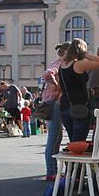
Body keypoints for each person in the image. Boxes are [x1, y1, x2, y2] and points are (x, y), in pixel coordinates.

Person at [58, 38, 99, 142]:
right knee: (78, 142)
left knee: (73, 140)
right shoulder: (78, 64)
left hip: (65, 106)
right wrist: (84, 55)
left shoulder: (62, 66)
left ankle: (71, 158)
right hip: (79, 107)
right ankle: (74, 158)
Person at [42, 42, 69, 180]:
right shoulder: (58, 65)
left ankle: (53, 170)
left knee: (57, 137)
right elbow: (47, 74)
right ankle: (51, 171)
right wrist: (57, 85)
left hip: (53, 102)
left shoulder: (57, 63)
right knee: (53, 138)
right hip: (54, 103)